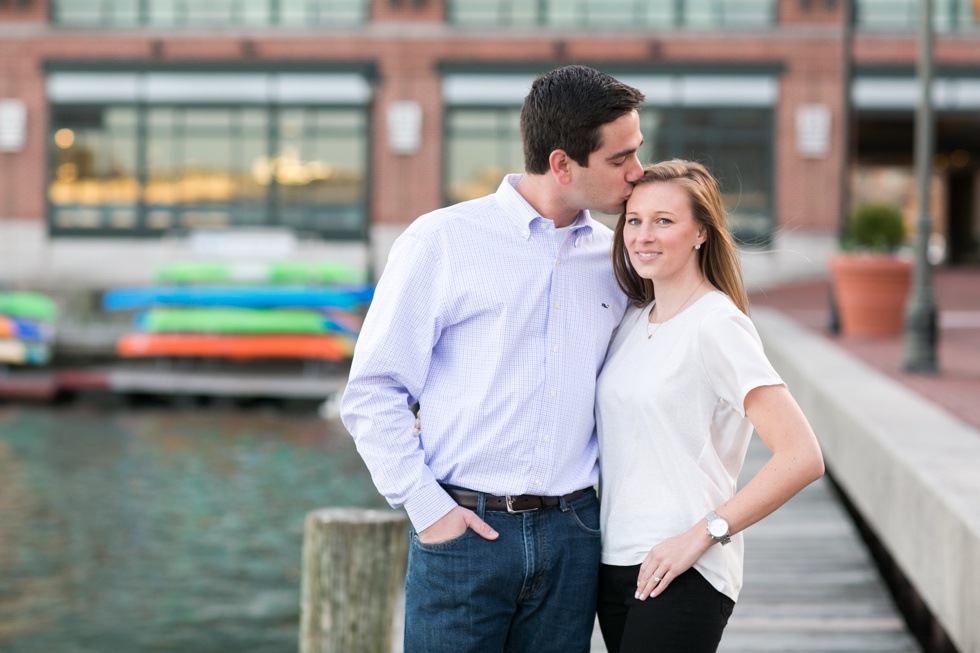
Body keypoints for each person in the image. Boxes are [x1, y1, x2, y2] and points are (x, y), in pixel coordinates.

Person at [340, 65, 645, 652]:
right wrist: (431, 512)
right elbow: (373, 391)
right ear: (562, 164)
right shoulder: (442, 241)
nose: (637, 172)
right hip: (464, 534)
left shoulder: (622, 256)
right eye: (619, 159)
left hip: (575, 534)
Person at [594, 160, 825, 653]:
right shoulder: (633, 321)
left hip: (684, 571)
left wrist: (702, 535)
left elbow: (801, 456)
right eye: (634, 220)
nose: (643, 235)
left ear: (700, 232)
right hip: (615, 564)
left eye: (664, 220)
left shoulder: (717, 325)